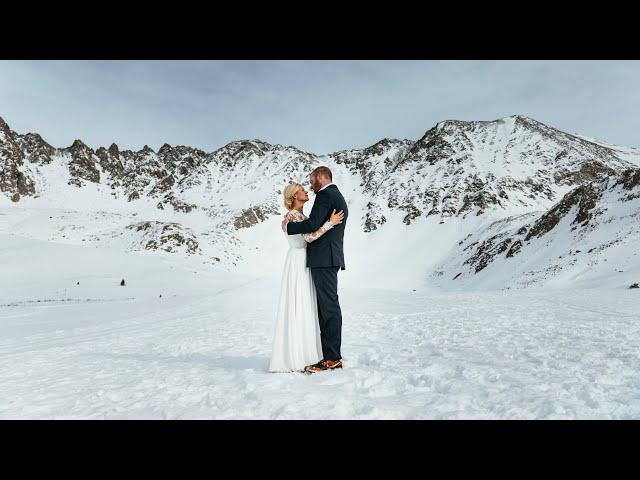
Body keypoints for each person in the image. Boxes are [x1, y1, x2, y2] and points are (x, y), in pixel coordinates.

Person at [269, 180, 344, 372]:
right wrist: (330, 223)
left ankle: (304, 352)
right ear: (294, 196)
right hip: (299, 261)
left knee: (305, 305)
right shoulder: (294, 215)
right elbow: (309, 237)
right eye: (302, 189)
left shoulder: (301, 215)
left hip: (304, 259)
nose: (306, 190)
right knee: (299, 304)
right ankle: (297, 355)